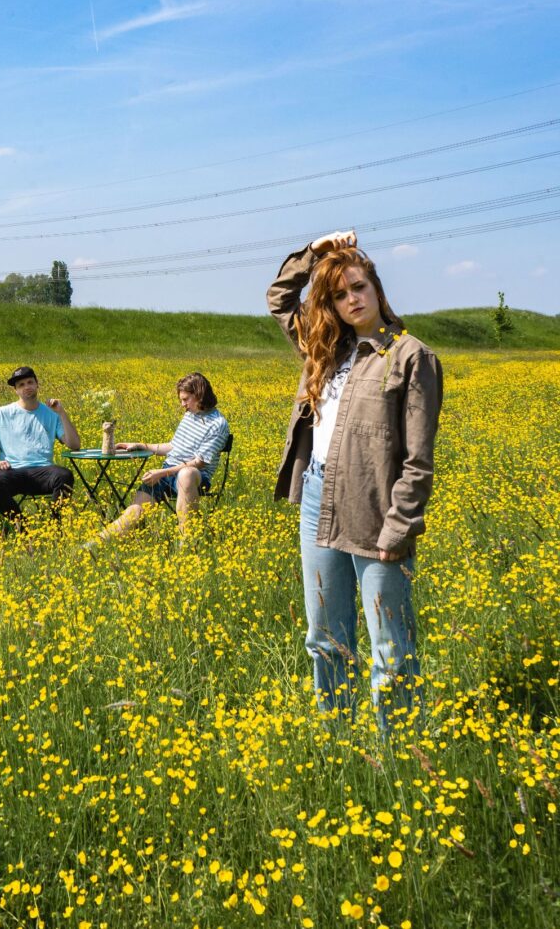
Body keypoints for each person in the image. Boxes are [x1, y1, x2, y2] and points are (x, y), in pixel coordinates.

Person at [267, 231, 443, 727]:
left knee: (390, 642)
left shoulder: (411, 356)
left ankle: (398, 752)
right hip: (317, 500)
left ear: (377, 289)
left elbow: (417, 460)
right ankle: (338, 741)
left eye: (359, 287)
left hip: (376, 509)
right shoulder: (325, 348)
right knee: (324, 635)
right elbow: (279, 297)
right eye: (340, 295)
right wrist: (315, 252)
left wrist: (399, 528)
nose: (352, 299)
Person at [91, 372, 230, 544]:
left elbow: (200, 462)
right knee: (134, 512)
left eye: (186, 399)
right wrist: (142, 445)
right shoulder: (190, 415)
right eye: (181, 400)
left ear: (199, 395)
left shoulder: (218, 424)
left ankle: (187, 543)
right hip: (168, 472)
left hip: (195, 478)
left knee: (186, 473)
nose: (182, 405)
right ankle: (95, 545)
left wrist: (162, 473)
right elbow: (173, 446)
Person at [0, 366, 81, 525]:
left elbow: (74, 445)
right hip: (13, 471)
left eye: (30, 382)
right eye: (21, 385)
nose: (26, 387)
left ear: (37, 384)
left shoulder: (51, 413)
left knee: (64, 475)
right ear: (15, 390)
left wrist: (61, 413)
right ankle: (23, 527)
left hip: (43, 471)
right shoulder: (3, 413)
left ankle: (55, 526)